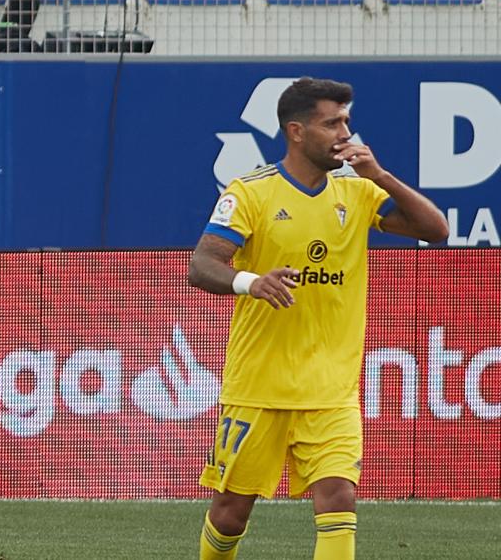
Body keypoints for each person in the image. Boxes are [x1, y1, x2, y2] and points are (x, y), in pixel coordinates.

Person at [187, 77, 448, 560]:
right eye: (332, 123)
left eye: (346, 121)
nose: (345, 132)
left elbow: (436, 230)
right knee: (230, 512)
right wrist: (252, 282)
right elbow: (201, 265)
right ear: (297, 132)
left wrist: (383, 177)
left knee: (339, 499)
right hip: (259, 388)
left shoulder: (358, 191)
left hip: (331, 390)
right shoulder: (250, 193)